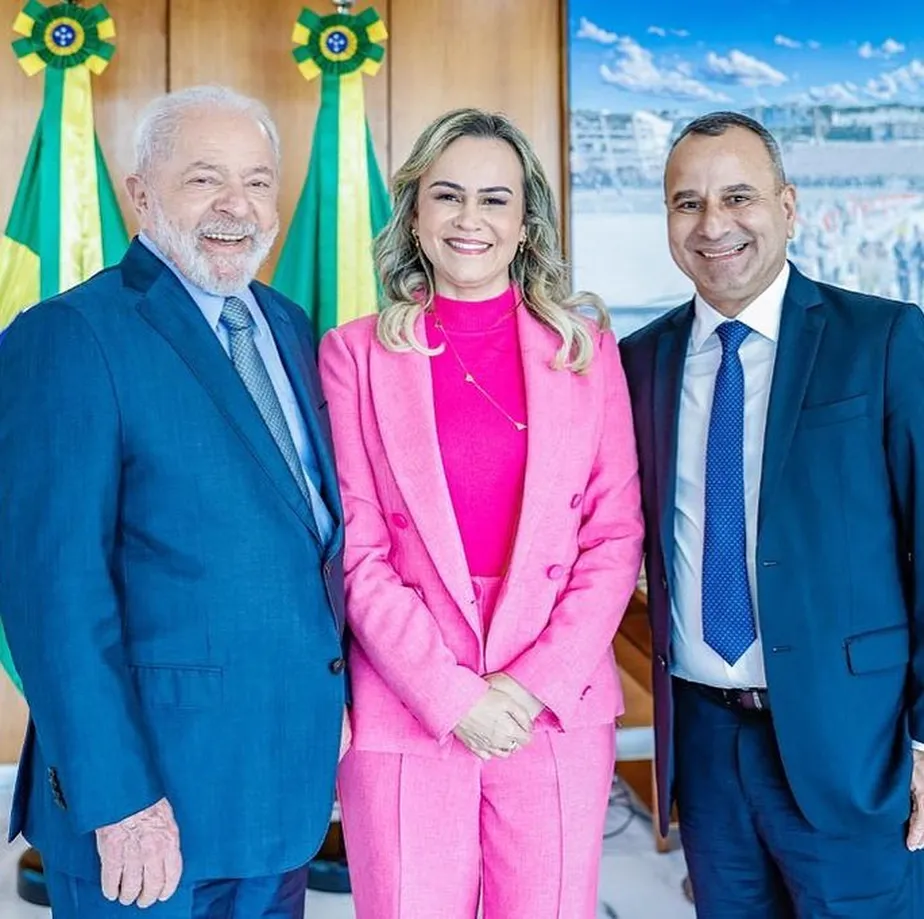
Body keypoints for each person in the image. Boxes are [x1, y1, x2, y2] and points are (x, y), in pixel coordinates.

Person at [0, 85, 349, 918]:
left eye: (258, 181)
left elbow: (302, 540)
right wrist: (118, 799)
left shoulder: (288, 323)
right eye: (204, 179)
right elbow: (53, 594)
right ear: (141, 194)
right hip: (151, 807)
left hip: (277, 792)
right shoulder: (71, 336)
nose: (238, 206)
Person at [318, 108, 644, 919]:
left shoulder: (586, 350)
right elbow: (356, 550)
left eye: (495, 200)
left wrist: (528, 688)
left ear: (526, 221)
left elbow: (613, 537)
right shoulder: (353, 354)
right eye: (448, 196)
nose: (471, 220)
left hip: (554, 701)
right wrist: (454, 695)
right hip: (407, 700)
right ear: (416, 214)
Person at [620, 110, 924, 917]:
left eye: (738, 196)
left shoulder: (884, 339)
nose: (713, 224)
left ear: (787, 208)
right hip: (707, 744)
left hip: (859, 745)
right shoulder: (638, 362)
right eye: (687, 203)